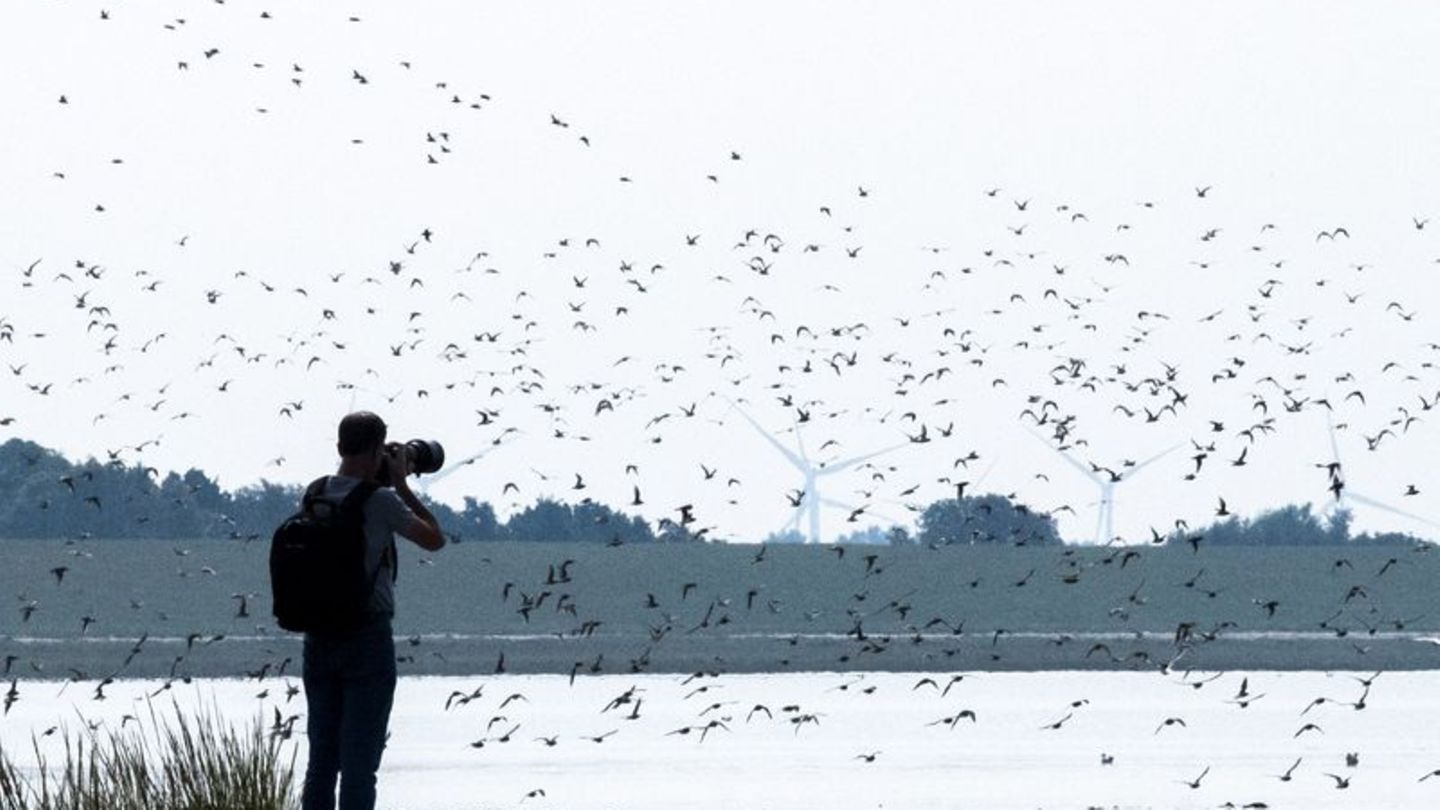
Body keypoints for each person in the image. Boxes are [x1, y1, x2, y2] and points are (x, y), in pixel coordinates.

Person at [301, 411, 445, 810]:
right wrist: (401, 483)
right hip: (366, 638)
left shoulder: (314, 493)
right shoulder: (380, 500)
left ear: (339, 447)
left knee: (321, 764)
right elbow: (435, 538)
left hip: (318, 637)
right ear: (377, 450)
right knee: (360, 766)